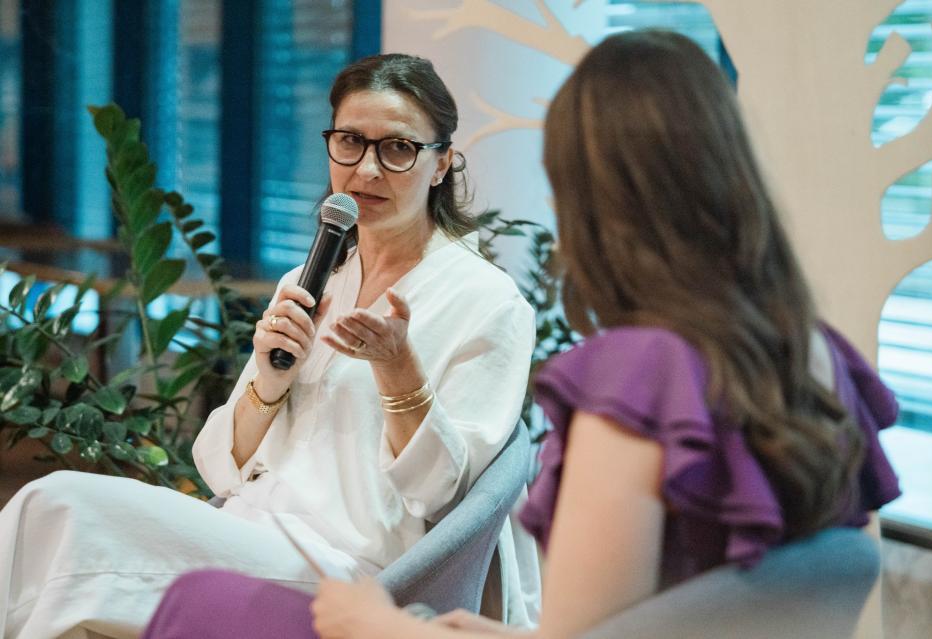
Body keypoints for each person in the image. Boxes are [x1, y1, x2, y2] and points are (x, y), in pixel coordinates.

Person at [144, 29, 902, 639]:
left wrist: (384, 625)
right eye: (351, 142)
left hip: (355, 574)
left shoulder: (638, 377)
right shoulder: (819, 352)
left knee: (199, 600)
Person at [0, 53, 541, 639]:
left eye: (398, 148)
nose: (367, 169)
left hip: (349, 571)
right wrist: (272, 380)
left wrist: (398, 370)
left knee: (61, 509)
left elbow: (447, 500)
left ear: (441, 164)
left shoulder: (488, 302)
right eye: (350, 142)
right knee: (45, 522)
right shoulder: (312, 279)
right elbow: (219, 468)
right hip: (247, 529)